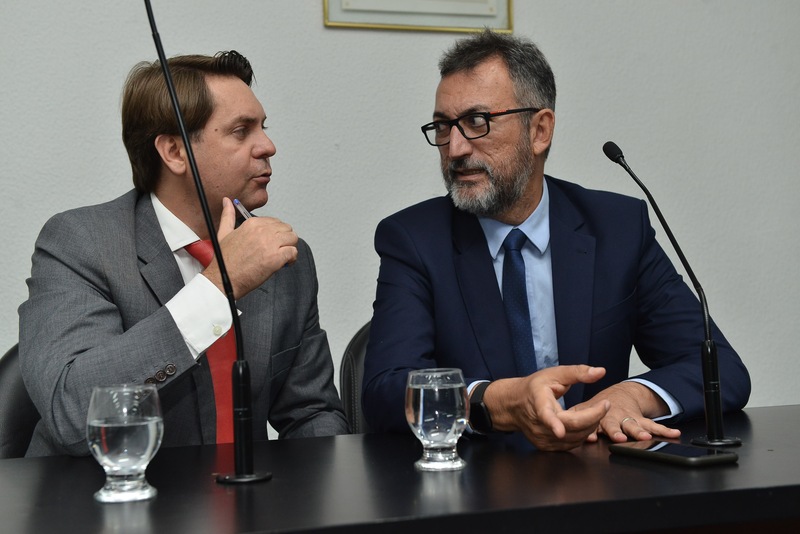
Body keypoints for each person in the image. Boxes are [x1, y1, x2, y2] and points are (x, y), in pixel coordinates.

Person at [362, 31, 750, 451]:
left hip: (599, 478)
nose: (454, 148)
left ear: (540, 130)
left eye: (476, 122)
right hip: (477, 481)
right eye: (443, 126)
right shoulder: (414, 240)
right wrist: (496, 402)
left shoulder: (616, 228)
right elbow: (385, 390)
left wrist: (632, 396)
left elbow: (722, 370)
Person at [19, 51, 348, 457]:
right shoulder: (82, 242)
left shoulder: (282, 256)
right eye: (241, 131)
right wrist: (216, 289)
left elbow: (311, 412)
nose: (268, 146)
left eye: (263, 128)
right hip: (106, 492)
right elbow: (69, 410)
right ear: (174, 152)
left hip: (249, 494)